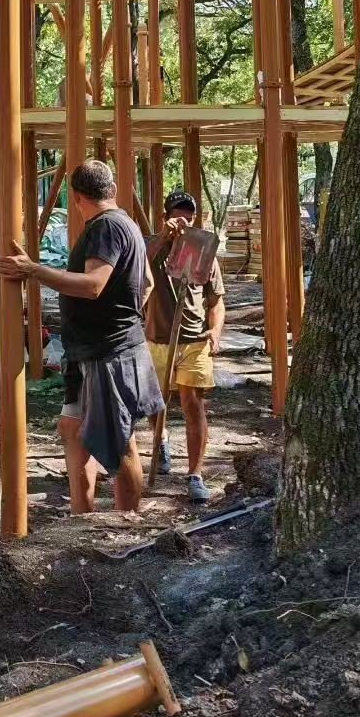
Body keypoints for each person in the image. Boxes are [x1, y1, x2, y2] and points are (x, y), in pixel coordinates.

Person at [0, 159, 163, 514]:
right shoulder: (128, 225)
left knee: (121, 442)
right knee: (72, 430)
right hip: (95, 350)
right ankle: (81, 515)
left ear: (75, 197)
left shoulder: (105, 228)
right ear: (113, 189)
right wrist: (125, 313)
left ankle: (126, 521)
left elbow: (93, 285)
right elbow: (146, 282)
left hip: (107, 352)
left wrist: (33, 270)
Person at [146, 190, 225, 504]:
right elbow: (138, 263)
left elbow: (217, 300)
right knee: (156, 403)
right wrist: (165, 237)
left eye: (189, 215)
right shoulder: (153, 246)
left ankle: (195, 474)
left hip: (194, 340)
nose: (185, 220)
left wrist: (215, 330)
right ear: (166, 216)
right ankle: (160, 439)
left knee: (192, 402)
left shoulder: (204, 251)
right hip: (158, 339)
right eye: (178, 214)